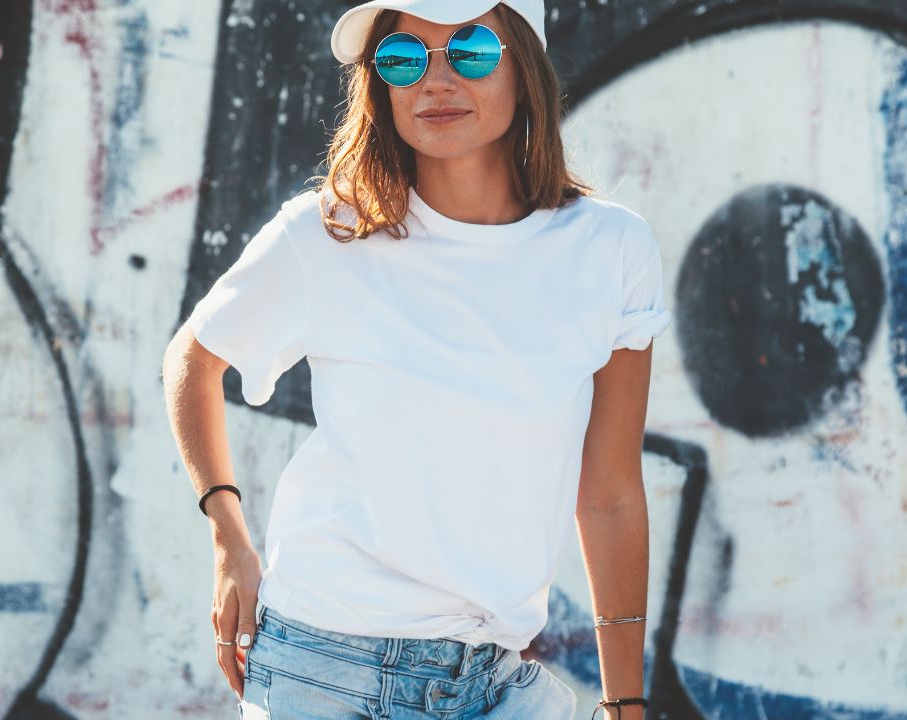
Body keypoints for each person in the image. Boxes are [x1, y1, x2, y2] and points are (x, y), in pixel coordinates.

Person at [162, 1, 671, 717]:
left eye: (470, 52)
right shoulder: (330, 232)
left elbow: (612, 492)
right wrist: (228, 539)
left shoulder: (610, 252)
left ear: (522, 69)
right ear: (382, 88)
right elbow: (194, 356)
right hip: (324, 666)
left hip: (493, 679)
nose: (436, 80)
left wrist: (625, 704)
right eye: (404, 60)